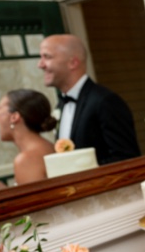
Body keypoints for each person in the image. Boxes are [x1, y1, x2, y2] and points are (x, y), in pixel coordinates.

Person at [37, 34, 139, 164]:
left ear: (73, 63)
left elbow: (127, 158)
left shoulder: (105, 101)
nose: (40, 64)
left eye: (47, 57)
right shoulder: (61, 106)